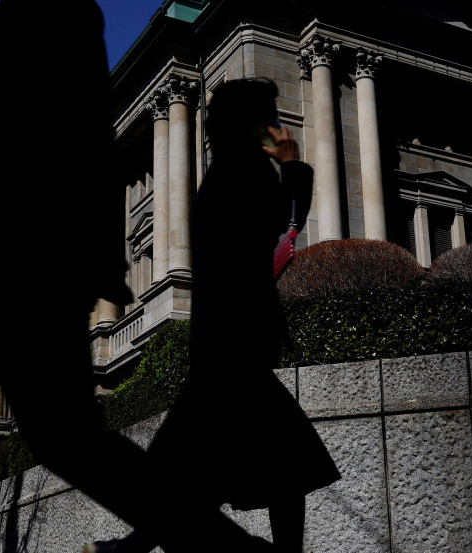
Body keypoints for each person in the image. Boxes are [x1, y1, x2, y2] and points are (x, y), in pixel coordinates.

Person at [0, 2, 274, 552]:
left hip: (6, 263)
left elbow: (80, 140)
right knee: (65, 440)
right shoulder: (26, 23)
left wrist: (90, 259)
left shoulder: (58, 17)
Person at [85, 79, 340, 553]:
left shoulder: (223, 172)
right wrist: (292, 165)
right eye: (270, 115)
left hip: (223, 344)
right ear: (253, 123)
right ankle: (130, 548)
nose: (278, 125)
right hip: (234, 345)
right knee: (281, 462)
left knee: (227, 466)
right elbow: (283, 225)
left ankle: (131, 547)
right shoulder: (245, 173)